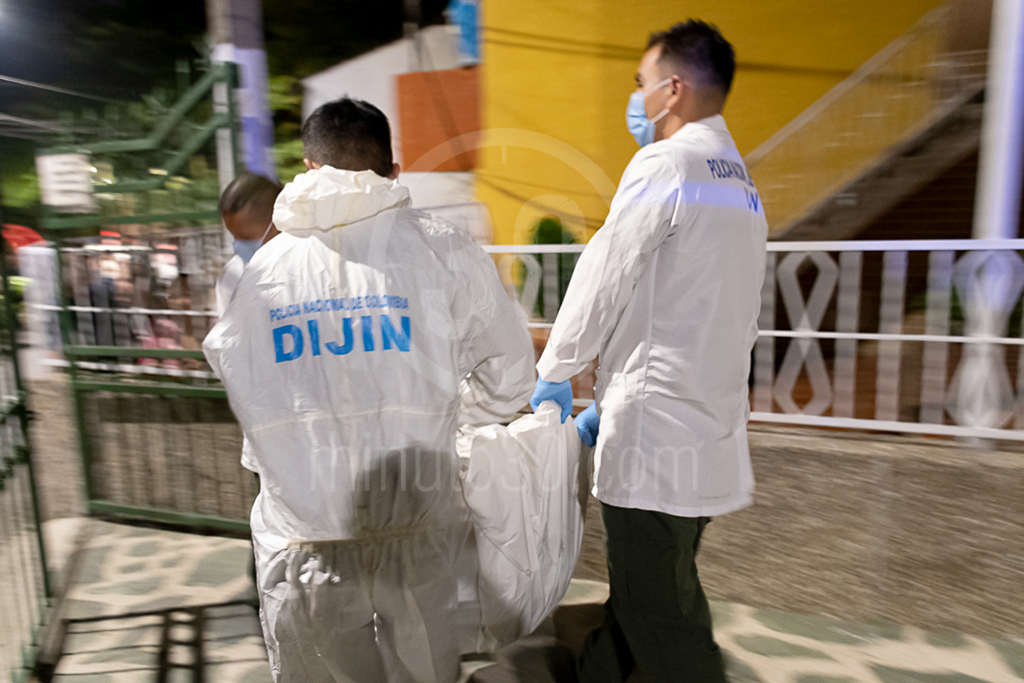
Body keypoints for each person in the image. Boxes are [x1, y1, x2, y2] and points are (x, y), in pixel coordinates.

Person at [203, 97, 535, 683]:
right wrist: (447, 420)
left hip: (305, 532)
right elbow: (510, 379)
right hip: (417, 515)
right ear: (394, 172)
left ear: (309, 169)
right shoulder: (443, 249)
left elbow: (245, 383)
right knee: (424, 668)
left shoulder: (268, 270)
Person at [530, 20, 768, 683]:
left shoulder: (666, 163)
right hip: (708, 422)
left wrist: (554, 369)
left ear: (673, 87)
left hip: (657, 433)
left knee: (663, 615)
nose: (635, 97)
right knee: (650, 588)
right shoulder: (740, 183)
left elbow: (607, 270)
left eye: (641, 83)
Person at [215, 172, 283, 317]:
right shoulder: (233, 277)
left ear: (278, 224)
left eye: (246, 237)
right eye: (235, 236)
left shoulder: (309, 266)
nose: (238, 244)